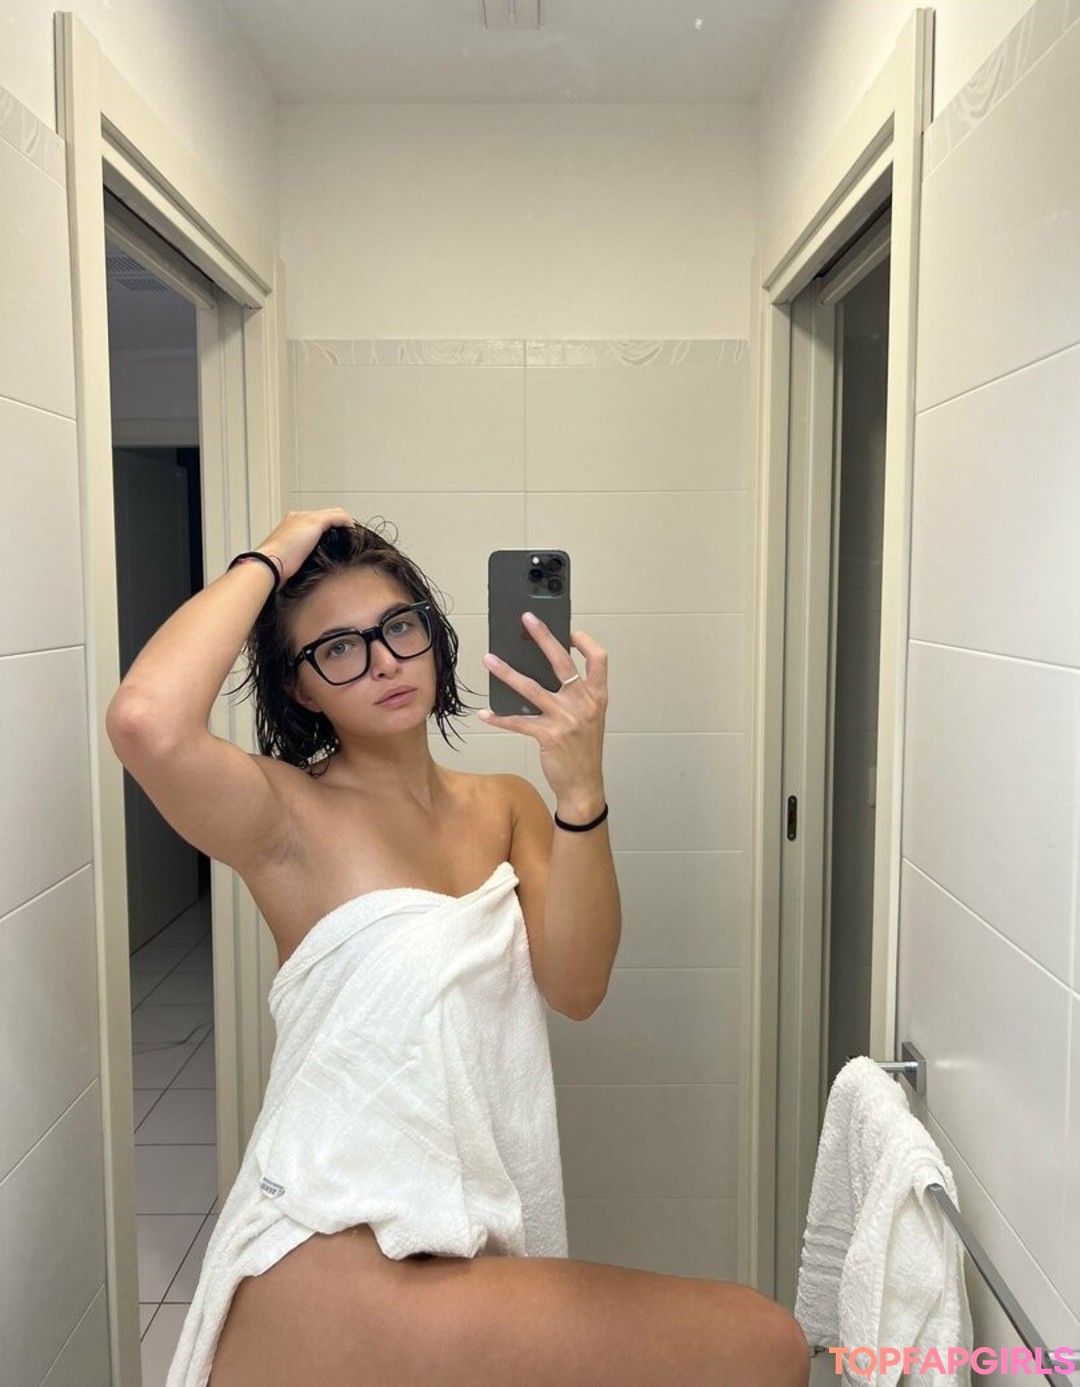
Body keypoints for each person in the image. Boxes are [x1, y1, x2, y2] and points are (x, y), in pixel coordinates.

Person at [107, 509, 810, 1387]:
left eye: (398, 627)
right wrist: (276, 553)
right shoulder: (284, 814)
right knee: (766, 1342)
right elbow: (145, 721)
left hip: (460, 1255)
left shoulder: (507, 805)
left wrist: (581, 788)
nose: (383, 661)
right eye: (338, 648)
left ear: (432, 636)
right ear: (302, 688)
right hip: (330, 1252)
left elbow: (579, 984)